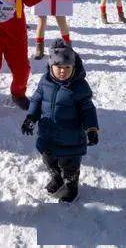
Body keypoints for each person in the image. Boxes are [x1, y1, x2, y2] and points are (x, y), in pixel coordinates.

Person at [21, 39, 99, 203]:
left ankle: (71, 186)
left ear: (73, 67)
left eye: (67, 67)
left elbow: (87, 109)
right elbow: (36, 100)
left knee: (70, 167)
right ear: (51, 66)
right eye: (58, 67)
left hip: (71, 140)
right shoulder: (45, 81)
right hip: (48, 135)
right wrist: (30, 117)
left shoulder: (79, 87)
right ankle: (57, 178)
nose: (62, 71)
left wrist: (92, 129)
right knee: (49, 161)